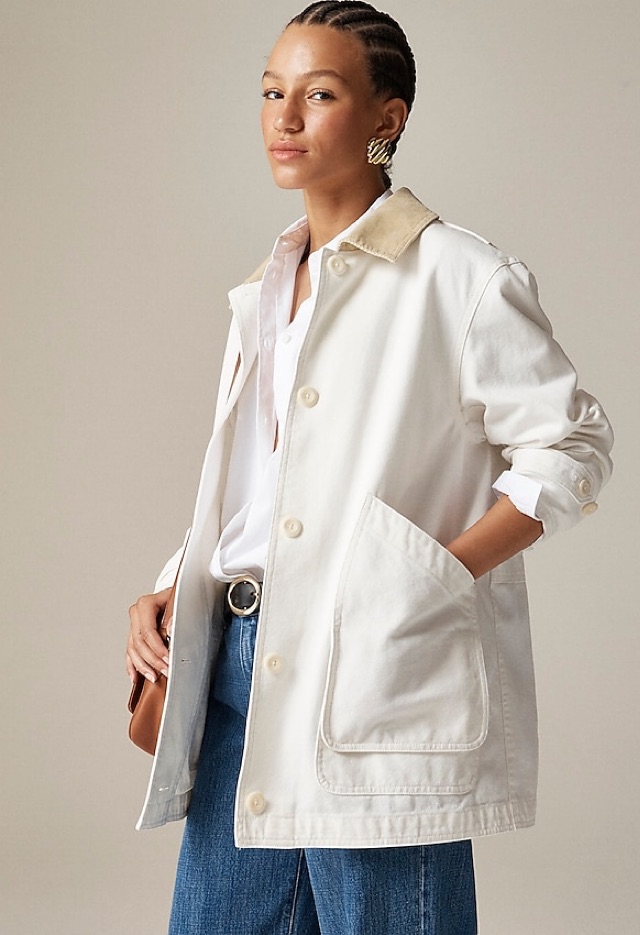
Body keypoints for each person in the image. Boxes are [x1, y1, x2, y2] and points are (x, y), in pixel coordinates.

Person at [126, 2, 614, 932]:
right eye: (271, 92)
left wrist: (432, 578)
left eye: (319, 94)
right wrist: (177, 578)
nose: (284, 117)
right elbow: (269, 479)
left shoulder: (459, 275)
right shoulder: (266, 288)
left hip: (375, 660)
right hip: (236, 662)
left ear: (388, 117)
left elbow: (572, 446)